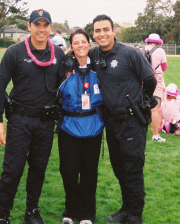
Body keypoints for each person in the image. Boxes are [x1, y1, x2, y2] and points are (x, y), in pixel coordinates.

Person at [0, 9, 65, 224]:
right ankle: (3, 214)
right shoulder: (14, 51)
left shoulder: (58, 55)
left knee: (38, 169)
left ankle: (31, 211)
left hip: (45, 122)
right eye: (37, 24)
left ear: (50, 28)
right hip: (20, 121)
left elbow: (64, 88)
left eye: (45, 25)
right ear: (29, 26)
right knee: (12, 170)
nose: (41, 29)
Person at [90, 14, 156, 224]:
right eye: (97, 31)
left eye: (105, 29)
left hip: (131, 121)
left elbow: (150, 79)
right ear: (94, 34)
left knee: (132, 168)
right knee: (119, 167)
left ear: (113, 31)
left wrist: (142, 101)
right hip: (111, 121)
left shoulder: (130, 53)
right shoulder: (95, 55)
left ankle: (135, 215)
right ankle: (126, 208)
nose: (102, 34)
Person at [58, 29, 104, 224]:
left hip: (93, 127)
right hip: (68, 127)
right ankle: (70, 210)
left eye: (83, 41)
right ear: (71, 46)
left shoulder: (100, 68)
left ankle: (87, 213)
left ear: (89, 43)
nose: (80, 45)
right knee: (68, 170)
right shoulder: (64, 69)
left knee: (89, 172)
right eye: (76, 43)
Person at [143, 33, 168, 142]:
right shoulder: (160, 51)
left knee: (143, 107)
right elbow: (164, 67)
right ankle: (155, 135)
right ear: (158, 42)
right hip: (156, 81)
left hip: (143, 81)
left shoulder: (142, 50)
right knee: (155, 109)